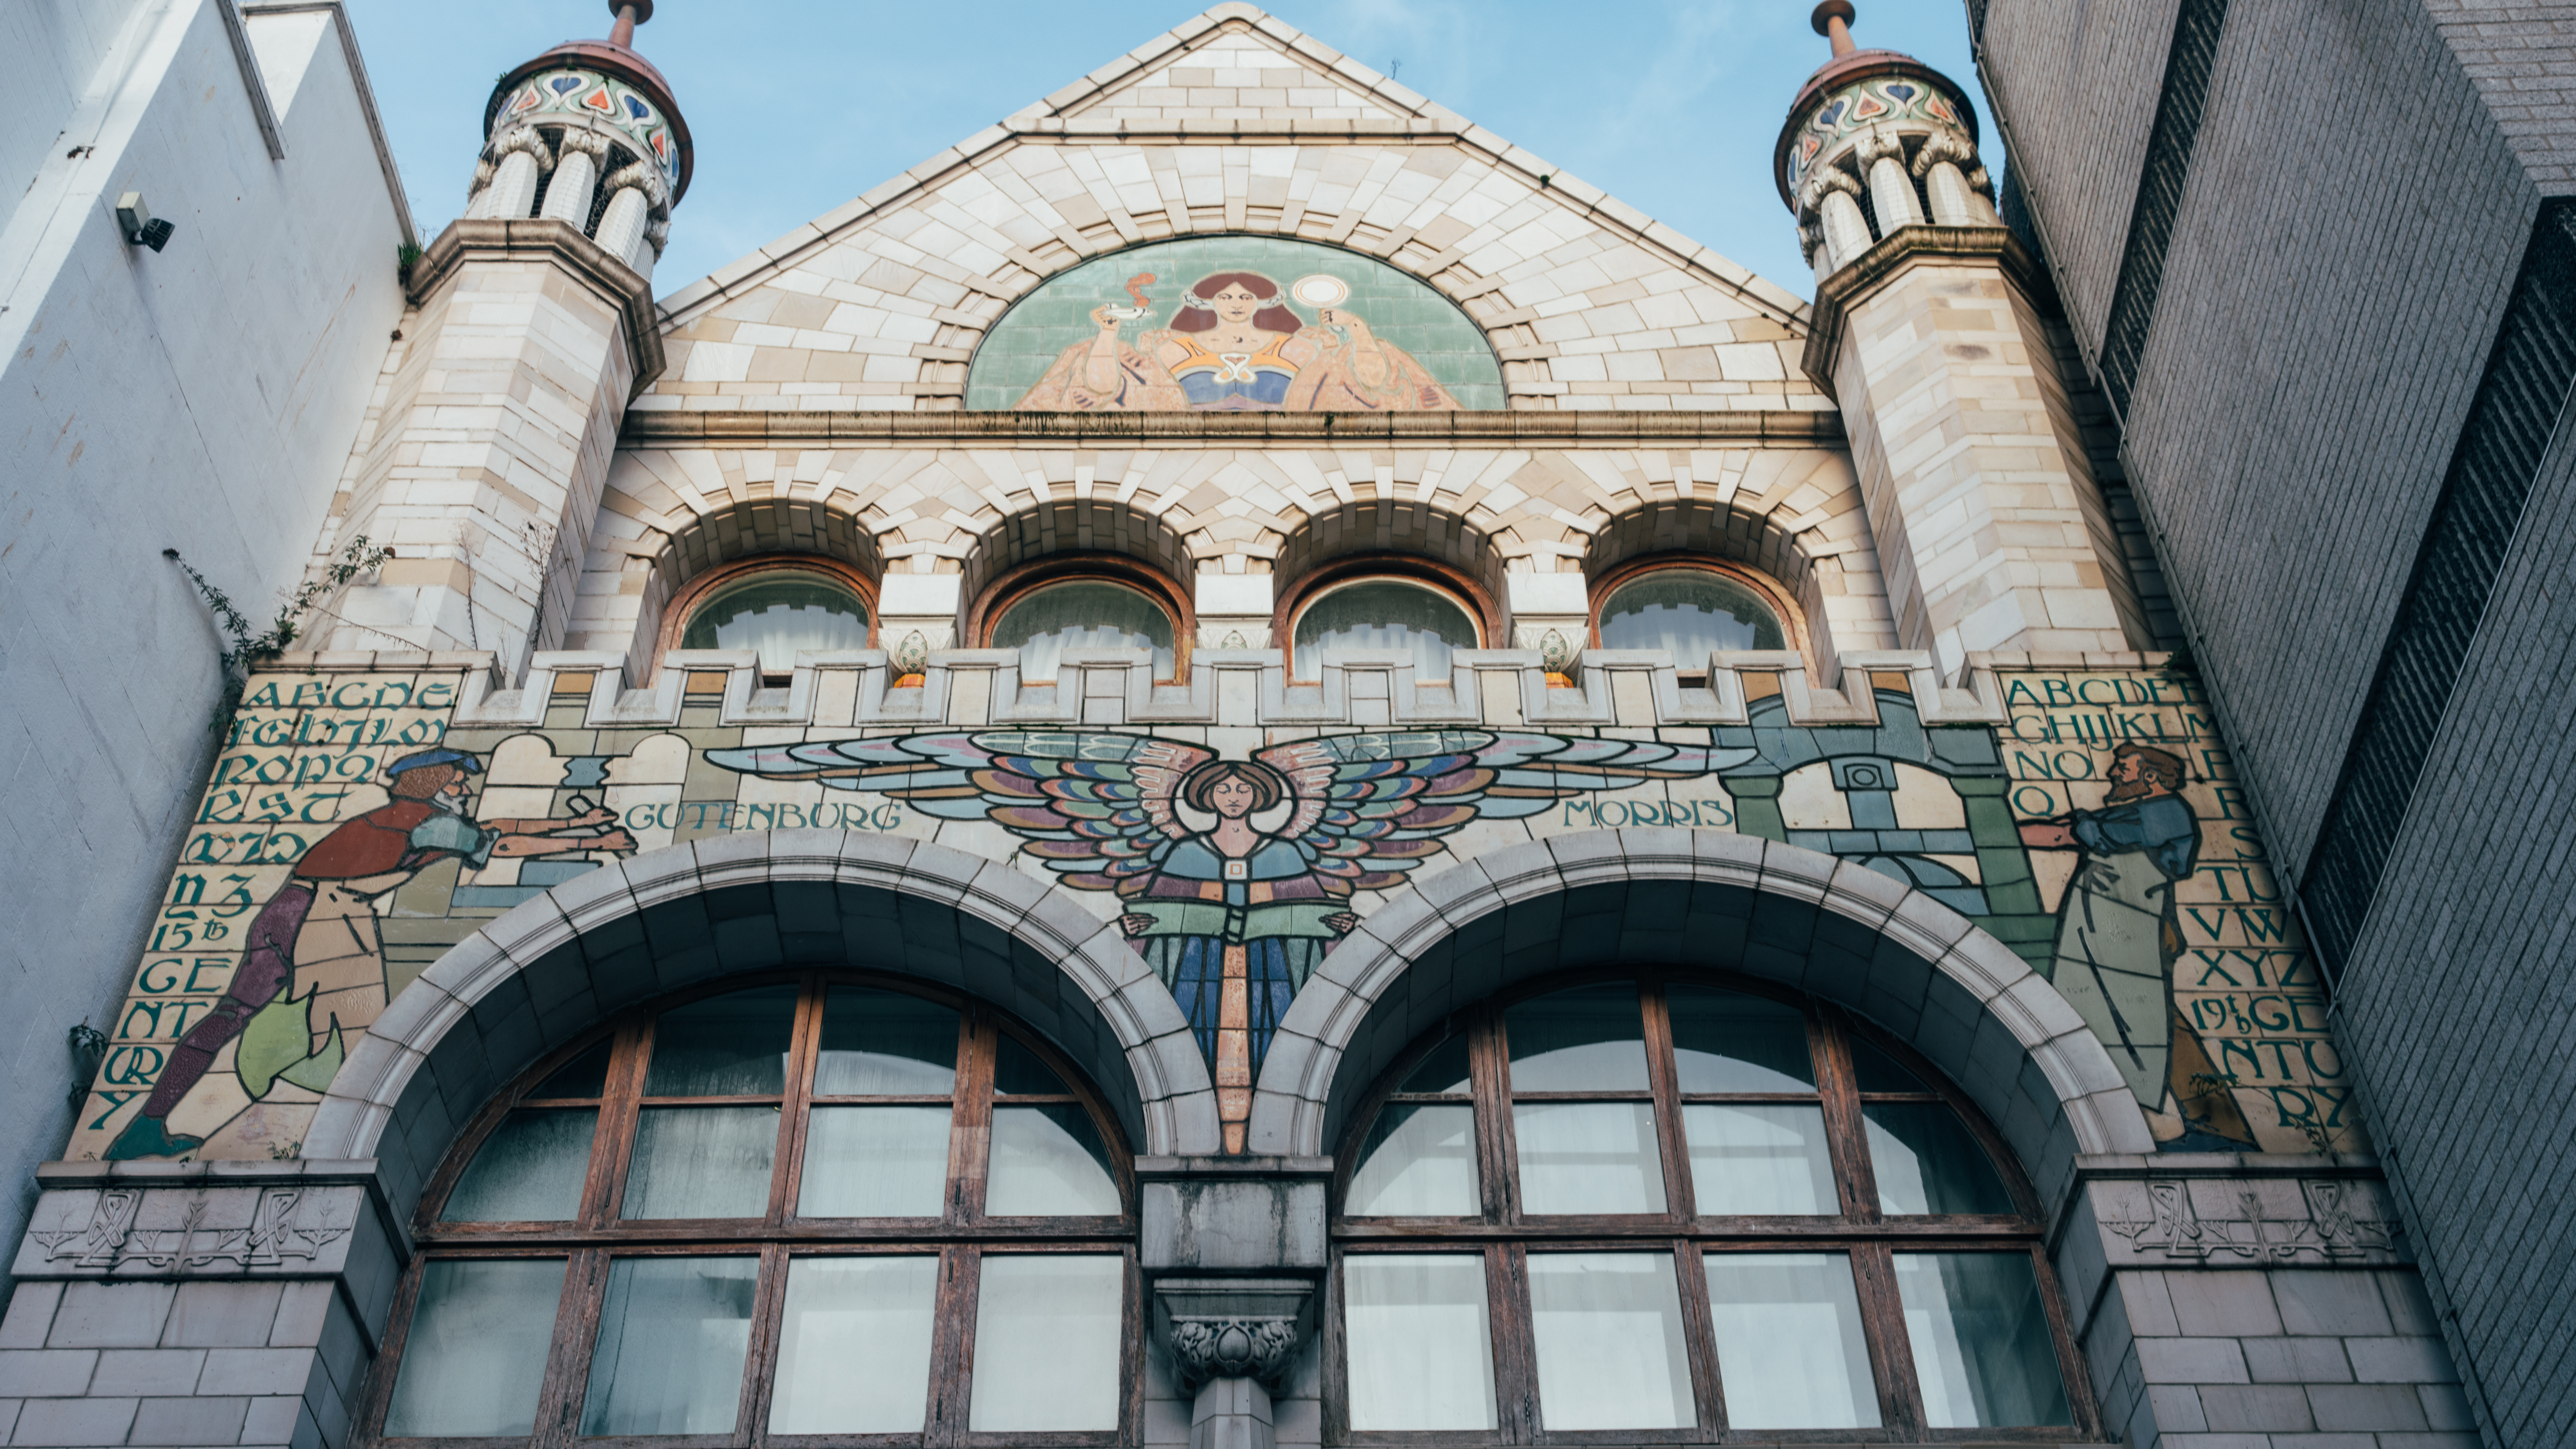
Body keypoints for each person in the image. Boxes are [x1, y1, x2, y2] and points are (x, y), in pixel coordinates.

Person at [106, 748, 635, 1159]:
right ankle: (292, 1136)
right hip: (328, 917)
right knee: (363, 1036)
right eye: (457, 779)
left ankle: (147, 1126)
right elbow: (503, 845)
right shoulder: (432, 822)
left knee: (233, 1016)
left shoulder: (410, 816)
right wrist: (594, 844)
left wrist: (579, 826)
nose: (465, 786)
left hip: (287, 908)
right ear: (433, 783)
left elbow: (500, 828)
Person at [2019, 742, 2256, 1149]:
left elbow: (2068, 833)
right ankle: (2216, 1126)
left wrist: (1993, 833)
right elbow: (2074, 827)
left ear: (2150, 775)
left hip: (2128, 931)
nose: (2113, 773)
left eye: (2123, 768)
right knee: (2152, 1022)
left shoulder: (2163, 814)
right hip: (2112, 931)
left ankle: (2217, 1129)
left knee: (2149, 1024)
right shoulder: (2141, 812)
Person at [1117, 759, 1358, 1116]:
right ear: (1207, 796)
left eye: (1243, 789)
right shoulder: (1185, 854)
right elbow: (1154, 918)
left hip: (1269, 975)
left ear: (1260, 797)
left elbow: (1315, 915)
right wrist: (1140, 926)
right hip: (1199, 976)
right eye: (1224, 789)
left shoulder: (1285, 854)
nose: (1234, 797)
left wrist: (1334, 926)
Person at [1012, 269, 1463, 412]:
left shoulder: (1300, 346)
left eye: (1245, 296)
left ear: (1261, 301)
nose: (1235, 303)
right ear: (1207, 301)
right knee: (1083, 353)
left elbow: (1373, 381)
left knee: (1383, 350)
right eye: (1225, 296)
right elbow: (1103, 387)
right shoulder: (1169, 347)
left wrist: (1357, 328)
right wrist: (1108, 334)